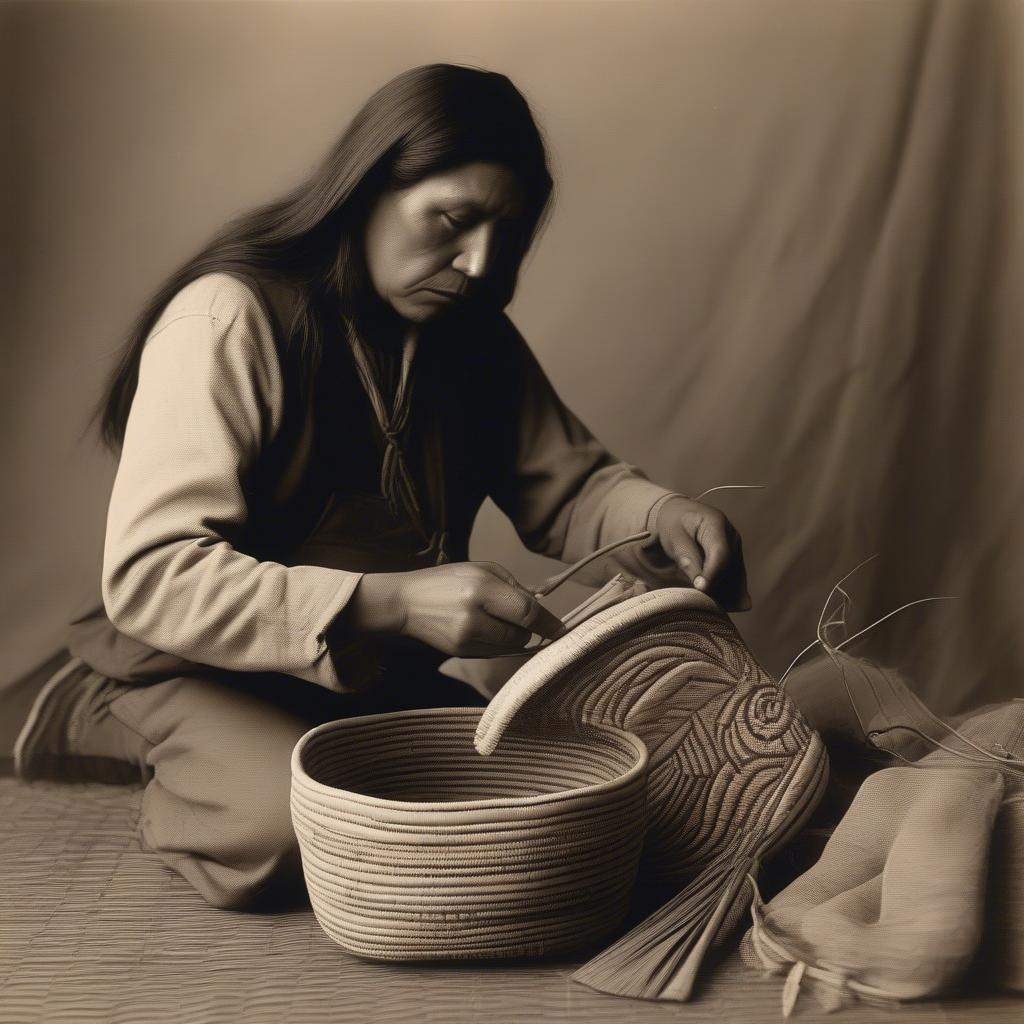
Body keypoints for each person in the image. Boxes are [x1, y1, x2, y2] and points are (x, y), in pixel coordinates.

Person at [5, 64, 749, 911]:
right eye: (454, 221)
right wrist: (392, 604)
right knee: (289, 832)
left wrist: (661, 513)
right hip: (182, 664)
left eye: (506, 234)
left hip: (358, 677)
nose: (479, 262)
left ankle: (283, 749)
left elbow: (573, 489)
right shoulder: (230, 317)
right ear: (366, 189)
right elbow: (151, 577)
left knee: (531, 802)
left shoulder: (475, 337)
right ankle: (120, 737)